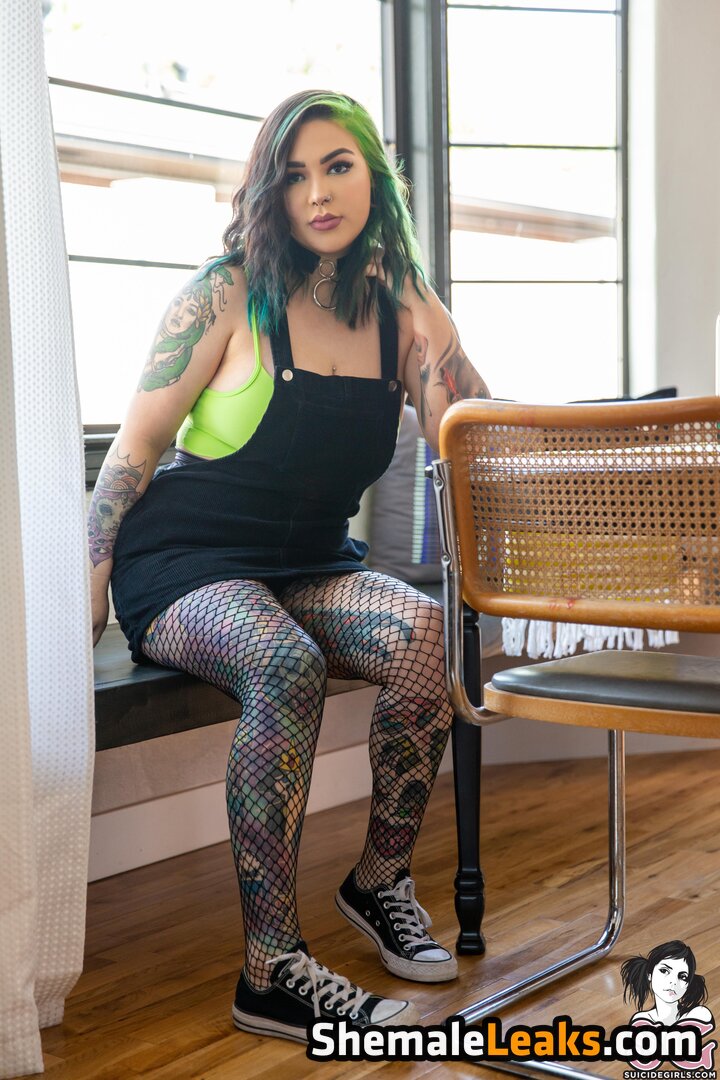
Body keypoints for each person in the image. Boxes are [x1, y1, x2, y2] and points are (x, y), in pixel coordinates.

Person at [88, 89, 490, 1044]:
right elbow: (133, 450)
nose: (318, 192)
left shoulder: (394, 311)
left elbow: (465, 432)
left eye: (338, 167)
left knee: (422, 634)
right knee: (283, 662)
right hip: (185, 567)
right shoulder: (225, 294)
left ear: (373, 180)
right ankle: (270, 970)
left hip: (307, 563)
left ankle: (379, 880)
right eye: (295, 174)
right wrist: (88, 590)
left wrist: (428, 308)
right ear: (270, 192)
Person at [621, 941, 716, 1070]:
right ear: (649, 974)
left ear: (688, 985)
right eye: (664, 971)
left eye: (682, 977)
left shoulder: (699, 1013)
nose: (673, 981)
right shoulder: (641, 1019)